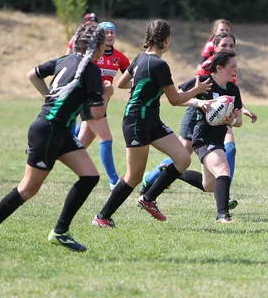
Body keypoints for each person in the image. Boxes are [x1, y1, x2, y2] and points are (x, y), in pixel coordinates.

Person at [0, 23, 113, 256]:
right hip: (48, 132)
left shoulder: (64, 60)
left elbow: (33, 74)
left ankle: (60, 232)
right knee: (28, 189)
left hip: (59, 130)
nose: (103, 50)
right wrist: (107, 94)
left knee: (89, 176)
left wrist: (51, 97)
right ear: (95, 47)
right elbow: (96, 114)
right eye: (102, 45)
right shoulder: (91, 71)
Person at [91, 19, 211, 227]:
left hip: (152, 120)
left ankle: (148, 199)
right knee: (134, 176)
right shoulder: (159, 64)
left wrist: (140, 83)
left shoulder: (140, 58)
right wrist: (197, 91)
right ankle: (102, 217)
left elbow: (121, 83)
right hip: (137, 122)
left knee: (183, 159)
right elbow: (174, 100)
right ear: (166, 39)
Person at [141, 32, 257, 209]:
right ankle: (152, 179)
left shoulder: (230, 71)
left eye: (231, 46)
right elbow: (177, 96)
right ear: (215, 48)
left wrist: (238, 113)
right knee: (181, 157)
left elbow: (228, 98)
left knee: (227, 152)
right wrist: (199, 101)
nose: (228, 48)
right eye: (224, 45)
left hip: (218, 122)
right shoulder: (207, 72)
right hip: (196, 118)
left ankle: (222, 188)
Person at [172, 51, 243, 223]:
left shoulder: (234, 90)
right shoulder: (204, 82)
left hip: (218, 137)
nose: (236, 69)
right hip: (203, 136)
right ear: (219, 68)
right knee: (223, 171)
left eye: (236, 66)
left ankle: (173, 173)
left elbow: (239, 121)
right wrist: (197, 101)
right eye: (232, 66)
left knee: (209, 185)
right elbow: (175, 97)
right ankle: (222, 215)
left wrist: (231, 120)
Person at [74, 21, 130, 190]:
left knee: (77, 146)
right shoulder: (91, 55)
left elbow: (129, 79)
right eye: (106, 33)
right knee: (106, 139)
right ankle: (114, 181)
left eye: (112, 32)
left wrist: (138, 85)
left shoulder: (119, 57)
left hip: (102, 103)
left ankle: (46, 151)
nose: (110, 36)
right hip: (90, 102)